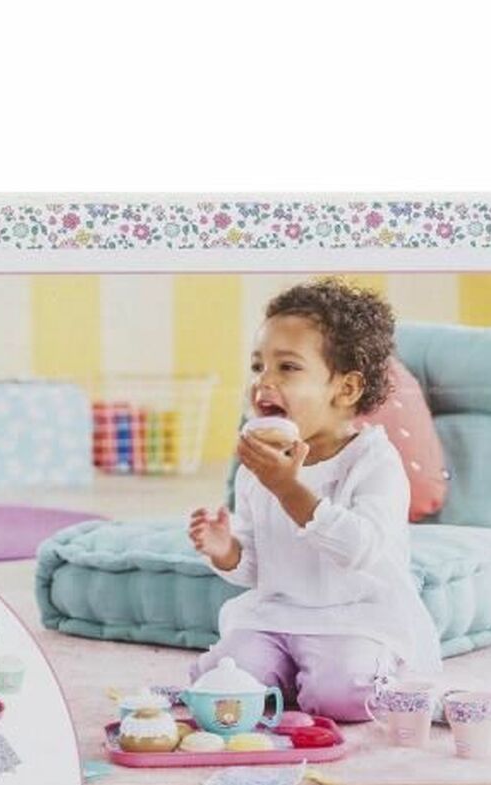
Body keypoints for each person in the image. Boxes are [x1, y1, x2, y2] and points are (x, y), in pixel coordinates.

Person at [188, 279, 441, 722]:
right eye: (258, 366)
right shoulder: (259, 465)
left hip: (356, 619)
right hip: (277, 616)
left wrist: (289, 489)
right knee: (223, 678)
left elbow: (360, 549)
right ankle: (291, 677)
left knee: (343, 694)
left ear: (346, 389)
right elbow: (256, 568)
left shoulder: (373, 462)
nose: (263, 381)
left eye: (287, 367)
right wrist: (226, 549)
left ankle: (356, 678)